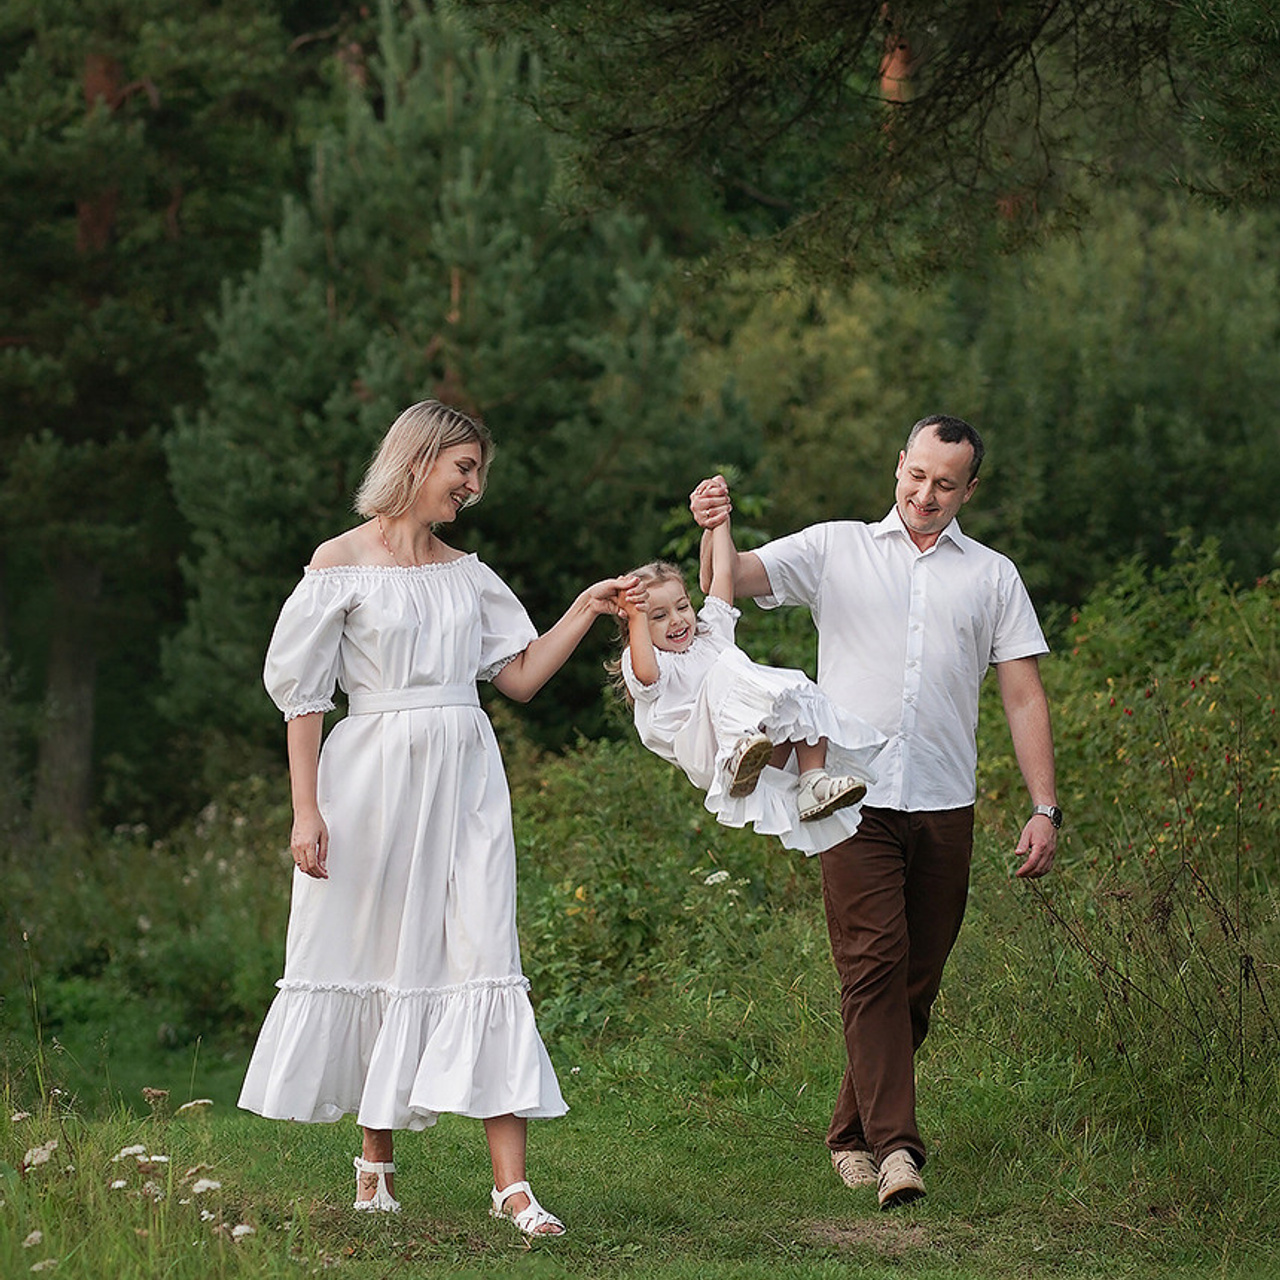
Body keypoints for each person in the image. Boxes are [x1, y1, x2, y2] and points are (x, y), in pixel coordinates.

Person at [239, 400, 633, 1236]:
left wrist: (587, 607)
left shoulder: (469, 573)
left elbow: (519, 678)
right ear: (418, 461)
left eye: (478, 472)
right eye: (464, 468)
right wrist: (305, 812)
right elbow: (304, 699)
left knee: (487, 949)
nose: (474, 487)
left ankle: (513, 1188)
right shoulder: (338, 564)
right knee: (380, 949)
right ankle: (374, 1166)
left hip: (465, 778)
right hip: (372, 775)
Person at [690, 414, 1059, 1209]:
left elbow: (1023, 693)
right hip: (847, 800)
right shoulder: (834, 549)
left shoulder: (993, 576)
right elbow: (730, 584)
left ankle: (850, 1131)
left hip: (944, 801)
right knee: (871, 965)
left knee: (914, 982)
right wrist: (714, 528)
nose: (926, 495)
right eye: (916, 476)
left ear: (968, 488)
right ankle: (898, 1151)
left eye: (946, 484)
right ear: (900, 465)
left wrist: (1044, 808)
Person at [610, 519, 886, 854]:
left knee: (795, 690)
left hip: (757, 747)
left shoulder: (710, 635)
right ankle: (737, 752)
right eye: (659, 616)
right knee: (728, 666)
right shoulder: (649, 661)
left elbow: (723, 576)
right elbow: (647, 674)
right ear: (639, 626)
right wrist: (636, 615)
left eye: (682, 606)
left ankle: (812, 782)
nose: (678, 620)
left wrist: (719, 522)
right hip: (705, 750)